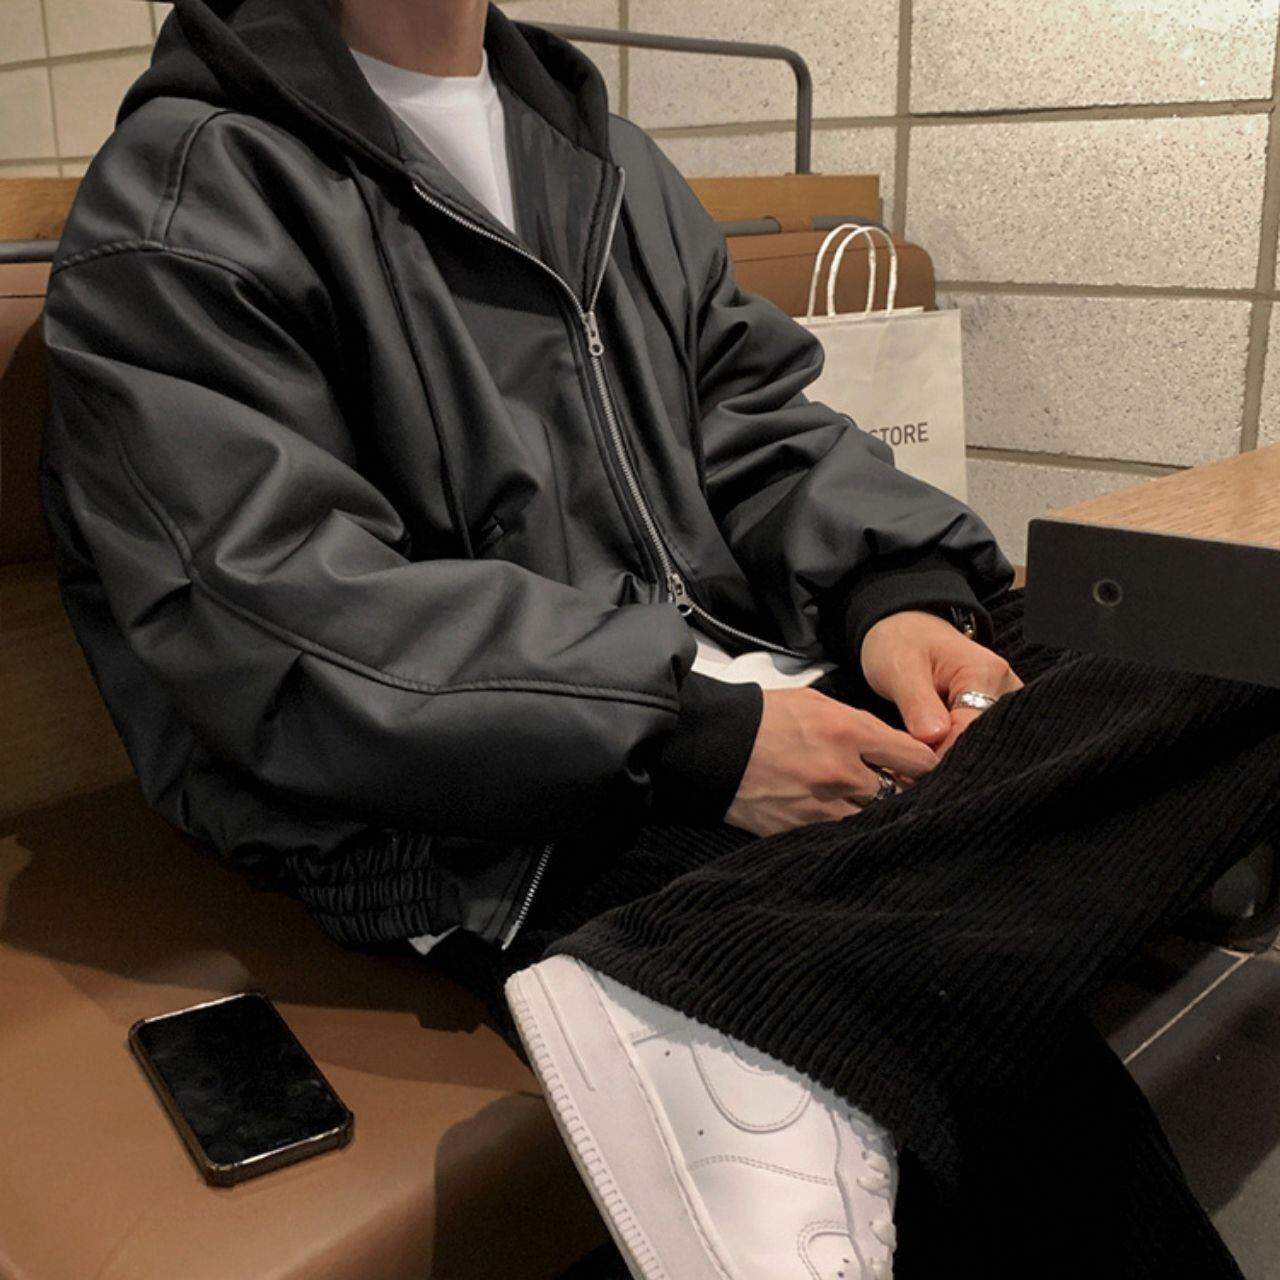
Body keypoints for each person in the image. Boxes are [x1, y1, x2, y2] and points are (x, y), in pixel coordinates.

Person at [38, 1, 1280, 1277]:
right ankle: (801, 966)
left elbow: (752, 422)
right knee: (985, 1048)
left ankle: (761, 970)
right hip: (491, 789)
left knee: (1224, 639)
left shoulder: (597, 154)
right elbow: (276, 609)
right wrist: (699, 736)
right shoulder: (189, 190)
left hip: (742, 671)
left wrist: (895, 596)